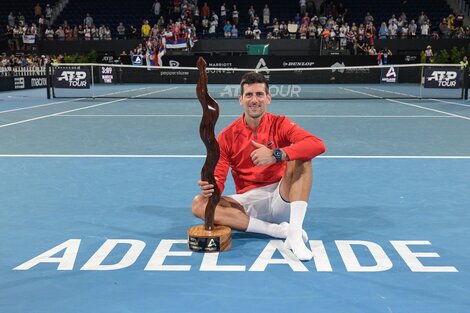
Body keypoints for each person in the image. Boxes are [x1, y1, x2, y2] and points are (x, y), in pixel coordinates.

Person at [192, 72, 326, 261]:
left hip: (282, 197)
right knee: (199, 204)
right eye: (249, 95)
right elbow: (219, 177)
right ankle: (276, 231)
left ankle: (294, 234)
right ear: (240, 100)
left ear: (268, 98)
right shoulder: (227, 136)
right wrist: (212, 187)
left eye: (259, 94)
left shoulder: (280, 124)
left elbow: (317, 144)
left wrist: (276, 155)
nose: (254, 100)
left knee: (301, 157)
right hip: (248, 204)